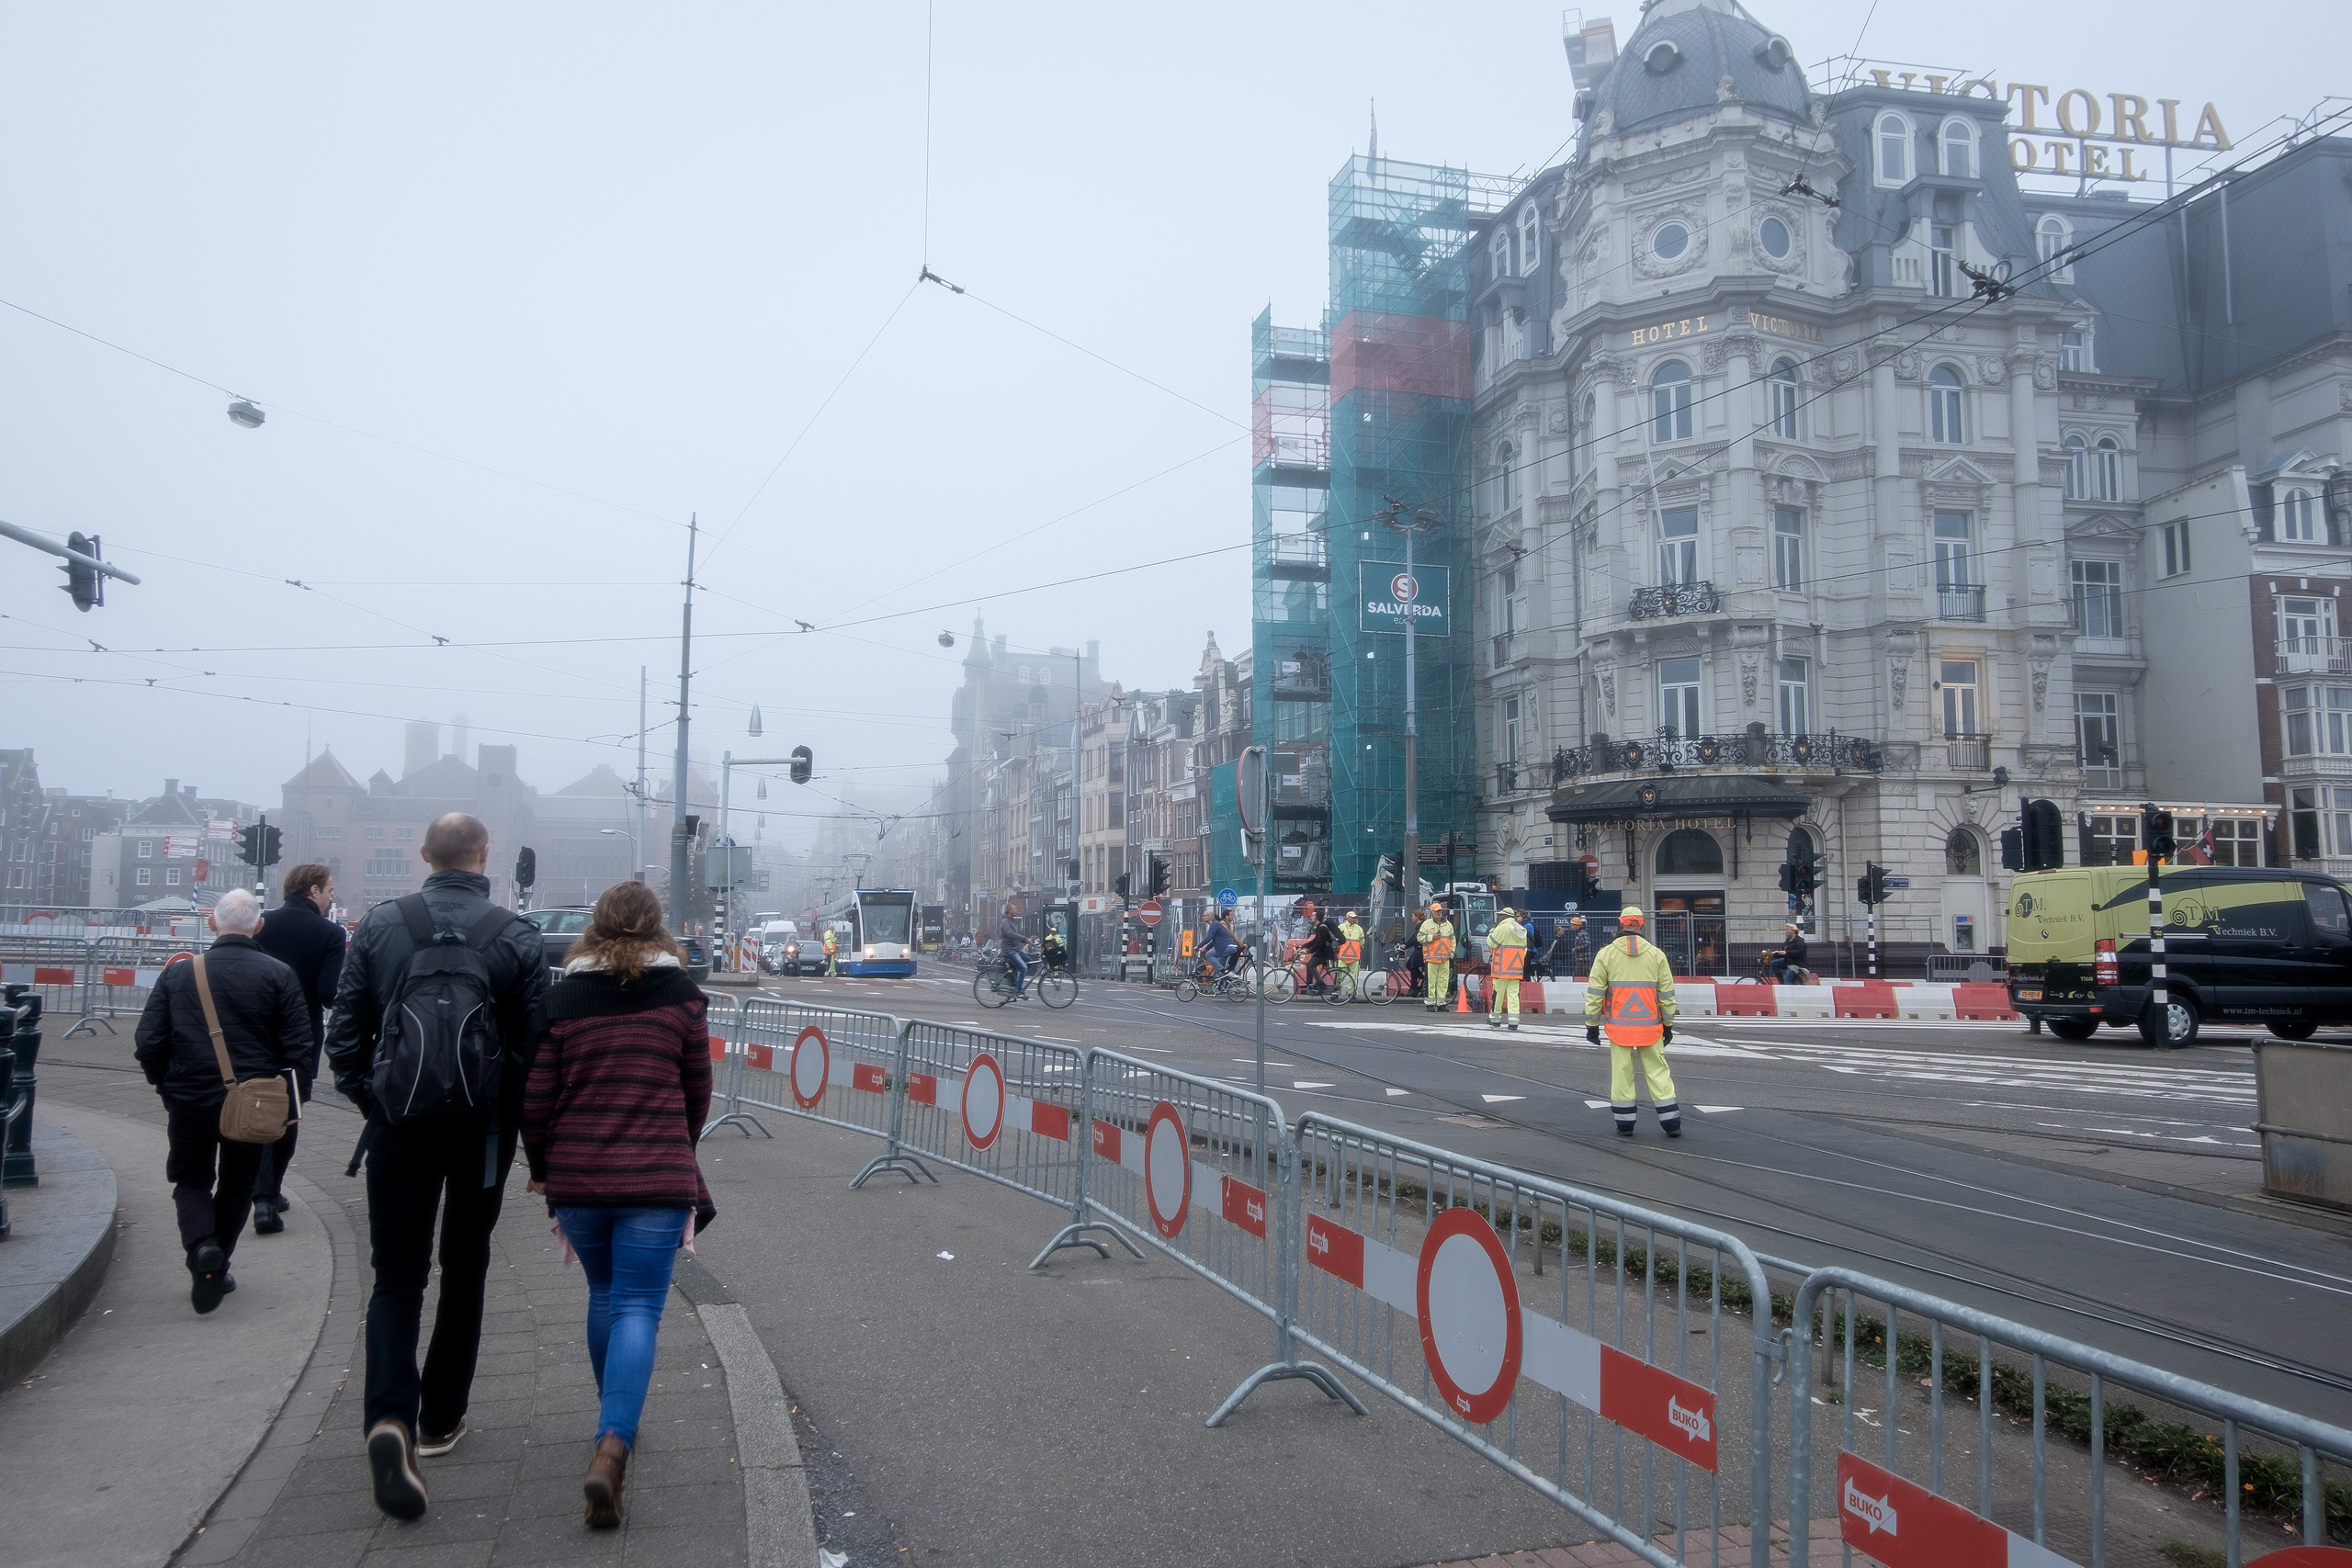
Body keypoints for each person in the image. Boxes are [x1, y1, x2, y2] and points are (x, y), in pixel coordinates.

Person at [326, 812, 548, 1522]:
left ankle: (389, 1417)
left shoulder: (382, 924)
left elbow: (344, 1036)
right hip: (481, 1137)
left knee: (396, 1277)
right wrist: (521, 1138)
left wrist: (379, 1100)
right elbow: (536, 1052)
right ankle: (441, 1417)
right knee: (466, 1265)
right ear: (487, 854)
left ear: (424, 854)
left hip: (400, 1130)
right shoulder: (515, 934)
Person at [522, 882, 716, 1529]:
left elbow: (536, 1099)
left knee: (605, 1296)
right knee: (640, 1304)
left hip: (578, 1177)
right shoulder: (682, 1000)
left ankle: (614, 1420)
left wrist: (541, 1169)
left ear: (595, 927)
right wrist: (677, 1145)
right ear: (657, 927)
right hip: (656, 1178)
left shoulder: (561, 1000)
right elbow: (697, 1091)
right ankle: (614, 1442)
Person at [134, 888, 313, 1314]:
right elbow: (297, 1049)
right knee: (238, 1184)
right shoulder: (278, 974)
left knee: (192, 1179)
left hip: (190, 1095)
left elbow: (148, 1042)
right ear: (259, 925)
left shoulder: (179, 974)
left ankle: (201, 1250)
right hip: (253, 1102)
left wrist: (166, 1086)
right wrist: (291, 1106)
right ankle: (216, 1266)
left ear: (212, 924)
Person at [250, 863, 346, 1235]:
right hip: (299, 1035)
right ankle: (268, 1193)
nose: (330, 899)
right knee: (288, 1111)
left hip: (255, 1031)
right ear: (313, 891)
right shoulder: (330, 933)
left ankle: (259, 1191)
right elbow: (327, 994)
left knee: (255, 1103)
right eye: (329, 892)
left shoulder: (261, 923)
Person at [1583, 907, 1680, 1138]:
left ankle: (1625, 1124)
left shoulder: (1605, 954)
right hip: (1651, 1028)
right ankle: (1671, 1123)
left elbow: (1595, 993)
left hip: (1619, 1029)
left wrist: (1592, 1025)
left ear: (1621, 924)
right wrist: (1668, 1025)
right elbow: (1667, 995)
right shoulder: (1657, 955)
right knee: (1658, 1073)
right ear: (1642, 925)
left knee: (1622, 1074)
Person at [1487, 906, 1529, 1031]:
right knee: (1513, 995)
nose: (1499, 917)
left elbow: (1491, 943)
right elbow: (1524, 950)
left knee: (1498, 994)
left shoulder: (1502, 927)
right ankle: (1513, 1022)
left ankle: (1495, 1019)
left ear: (1505, 916)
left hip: (1501, 968)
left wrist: (1492, 931)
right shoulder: (1521, 929)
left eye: (1501, 915)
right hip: (1515, 969)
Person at [1418, 900, 1456, 1012]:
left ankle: (1441, 1003)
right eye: (1437, 911)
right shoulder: (1426, 924)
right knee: (1431, 982)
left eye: (1440, 911)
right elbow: (1419, 938)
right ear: (1432, 913)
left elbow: (1453, 939)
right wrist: (1431, 937)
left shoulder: (1448, 925)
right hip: (1431, 958)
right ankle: (1429, 1004)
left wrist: (1452, 952)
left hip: (1445, 959)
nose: (1439, 913)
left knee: (1443, 982)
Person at [996, 902, 1032, 996]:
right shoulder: (1005, 922)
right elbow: (1010, 934)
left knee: (1029, 962)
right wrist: (1025, 939)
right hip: (1009, 950)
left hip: (1016, 949)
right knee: (1023, 967)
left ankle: (1013, 978)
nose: (1017, 910)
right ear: (1008, 911)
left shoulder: (1011, 921)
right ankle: (1018, 990)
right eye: (1014, 909)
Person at [1200, 913, 1240, 982]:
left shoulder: (1215, 924)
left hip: (1226, 947)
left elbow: (1209, 937)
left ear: (1210, 917)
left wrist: (1198, 946)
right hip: (1231, 947)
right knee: (1219, 966)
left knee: (1209, 955)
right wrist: (1207, 947)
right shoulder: (1219, 925)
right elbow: (1214, 941)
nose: (1202, 917)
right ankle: (1223, 986)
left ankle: (1226, 972)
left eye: (1204, 916)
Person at [1336, 910, 1366, 998]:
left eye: (1355, 917)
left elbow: (1362, 942)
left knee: (1354, 976)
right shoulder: (1341, 927)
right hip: (1344, 956)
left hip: (1354, 957)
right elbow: (1361, 942)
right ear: (1347, 917)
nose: (1354, 919)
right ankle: (1336, 993)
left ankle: (1351, 993)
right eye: (1352, 917)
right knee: (1339, 976)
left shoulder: (1359, 929)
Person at [1769, 922, 1809, 986]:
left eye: (1788, 929)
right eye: (1786, 929)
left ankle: (1788, 992)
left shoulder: (1799, 941)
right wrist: (1773, 954)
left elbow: (1799, 952)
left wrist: (1787, 952)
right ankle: (1781, 982)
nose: (1786, 931)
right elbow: (1783, 951)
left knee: (1787, 979)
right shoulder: (1788, 940)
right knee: (1773, 963)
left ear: (1793, 931)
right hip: (1787, 961)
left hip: (1796, 964)